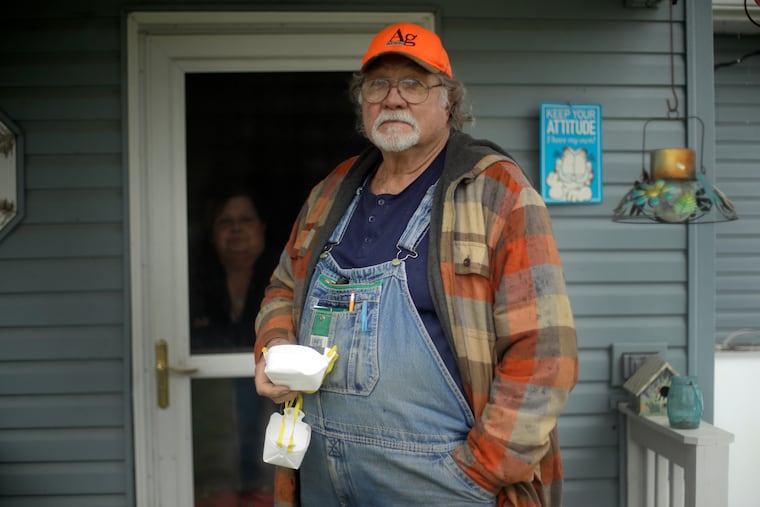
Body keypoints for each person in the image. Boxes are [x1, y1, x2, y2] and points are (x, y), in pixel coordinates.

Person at [254, 22, 578, 507]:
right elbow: (283, 285)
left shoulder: (496, 192)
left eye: (413, 83)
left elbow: (545, 350)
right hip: (322, 478)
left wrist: (480, 471)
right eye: (378, 84)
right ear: (362, 101)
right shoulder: (330, 193)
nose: (393, 98)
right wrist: (274, 347)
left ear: (449, 100)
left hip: (444, 485)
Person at [189, 187, 279, 507]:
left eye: (245, 219)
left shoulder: (278, 276)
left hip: (265, 396)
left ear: (262, 228)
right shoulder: (193, 276)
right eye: (225, 221)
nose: (236, 228)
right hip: (208, 402)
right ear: (212, 233)